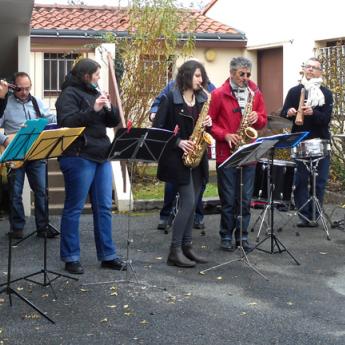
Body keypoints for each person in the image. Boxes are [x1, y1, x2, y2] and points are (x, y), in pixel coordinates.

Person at [55, 58, 127, 274]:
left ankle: (107, 255)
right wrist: (93, 110)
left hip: (100, 155)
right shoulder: (68, 94)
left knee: (104, 207)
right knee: (74, 208)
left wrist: (108, 106)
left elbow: (111, 122)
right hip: (78, 155)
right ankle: (71, 257)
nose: (98, 78)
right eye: (96, 74)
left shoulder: (94, 92)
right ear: (86, 75)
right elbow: (67, 122)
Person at [153, 60, 211, 267]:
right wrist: (178, 142)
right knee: (187, 202)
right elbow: (157, 130)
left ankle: (187, 247)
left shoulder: (202, 100)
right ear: (186, 76)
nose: (201, 80)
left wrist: (208, 126)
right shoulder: (170, 98)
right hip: (177, 159)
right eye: (197, 75)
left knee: (193, 203)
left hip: (196, 158)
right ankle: (174, 250)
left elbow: (204, 132)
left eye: (201, 75)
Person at [208, 56, 267, 252]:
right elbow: (210, 124)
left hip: (248, 153)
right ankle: (226, 235)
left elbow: (263, 121)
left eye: (248, 74)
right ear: (232, 73)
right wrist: (225, 135)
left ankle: (242, 236)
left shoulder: (255, 92)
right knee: (228, 198)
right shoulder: (218, 94)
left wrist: (257, 117)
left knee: (245, 199)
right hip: (227, 154)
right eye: (242, 74)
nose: (246, 78)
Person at [150, 78, 216, 231]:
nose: (200, 78)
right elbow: (159, 101)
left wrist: (210, 121)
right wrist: (154, 113)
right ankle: (166, 215)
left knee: (200, 184)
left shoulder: (209, 88)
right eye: (196, 73)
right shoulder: (173, 86)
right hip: (181, 139)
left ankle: (197, 215)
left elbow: (214, 107)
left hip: (198, 141)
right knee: (173, 182)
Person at [0, 73, 58, 239]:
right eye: (20, 89)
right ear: (13, 87)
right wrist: (5, 141)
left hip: (36, 152)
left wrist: (67, 112)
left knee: (41, 190)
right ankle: (17, 228)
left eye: (27, 88)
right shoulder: (5, 104)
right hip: (15, 152)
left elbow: (51, 119)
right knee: (15, 192)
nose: (24, 92)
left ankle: (43, 227)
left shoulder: (37, 102)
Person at [280, 57, 333, 227]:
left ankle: (315, 216)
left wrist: (313, 113)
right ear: (303, 69)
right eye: (307, 67)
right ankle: (304, 215)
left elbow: (326, 119)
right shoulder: (295, 91)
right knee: (301, 181)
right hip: (301, 141)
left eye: (314, 67)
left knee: (320, 181)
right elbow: (282, 113)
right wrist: (288, 112)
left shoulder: (326, 93)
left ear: (320, 72)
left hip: (320, 141)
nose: (310, 70)